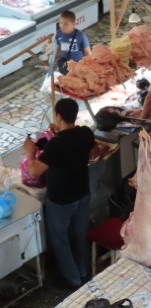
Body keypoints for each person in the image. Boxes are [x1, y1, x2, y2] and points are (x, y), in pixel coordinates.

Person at [23, 98, 94, 289]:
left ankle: (73, 280)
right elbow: (72, 146)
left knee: (59, 239)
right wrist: (58, 133)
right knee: (81, 234)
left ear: (58, 116)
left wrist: (30, 152)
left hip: (61, 200)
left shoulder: (56, 145)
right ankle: (83, 271)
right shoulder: (86, 133)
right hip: (82, 192)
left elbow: (34, 171)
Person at [55, 10, 91, 74]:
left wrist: (89, 66)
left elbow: (88, 52)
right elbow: (58, 47)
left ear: (74, 24)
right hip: (64, 65)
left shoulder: (80, 35)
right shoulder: (58, 33)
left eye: (66, 24)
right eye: (60, 23)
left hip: (78, 66)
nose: (62, 26)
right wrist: (56, 58)